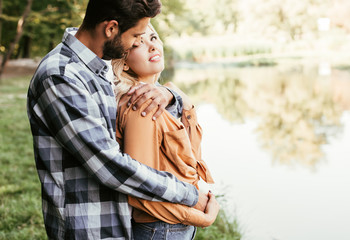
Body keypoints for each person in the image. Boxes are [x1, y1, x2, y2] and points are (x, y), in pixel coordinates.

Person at [26, 0, 211, 239]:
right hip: (87, 227)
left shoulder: (95, 64)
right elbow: (108, 164)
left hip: (117, 221)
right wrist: (191, 196)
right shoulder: (61, 76)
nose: (138, 43)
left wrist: (171, 93)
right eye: (136, 35)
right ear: (111, 28)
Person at [112, 24, 220, 240]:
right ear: (123, 62)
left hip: (172, 224)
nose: (152, 46)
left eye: (153, 37)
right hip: (162, 227)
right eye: (138, 43)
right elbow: (140, 187)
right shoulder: (141, 104)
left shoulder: (162, 98)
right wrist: (201, 216)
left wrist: (178, 97)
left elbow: (191, 160)